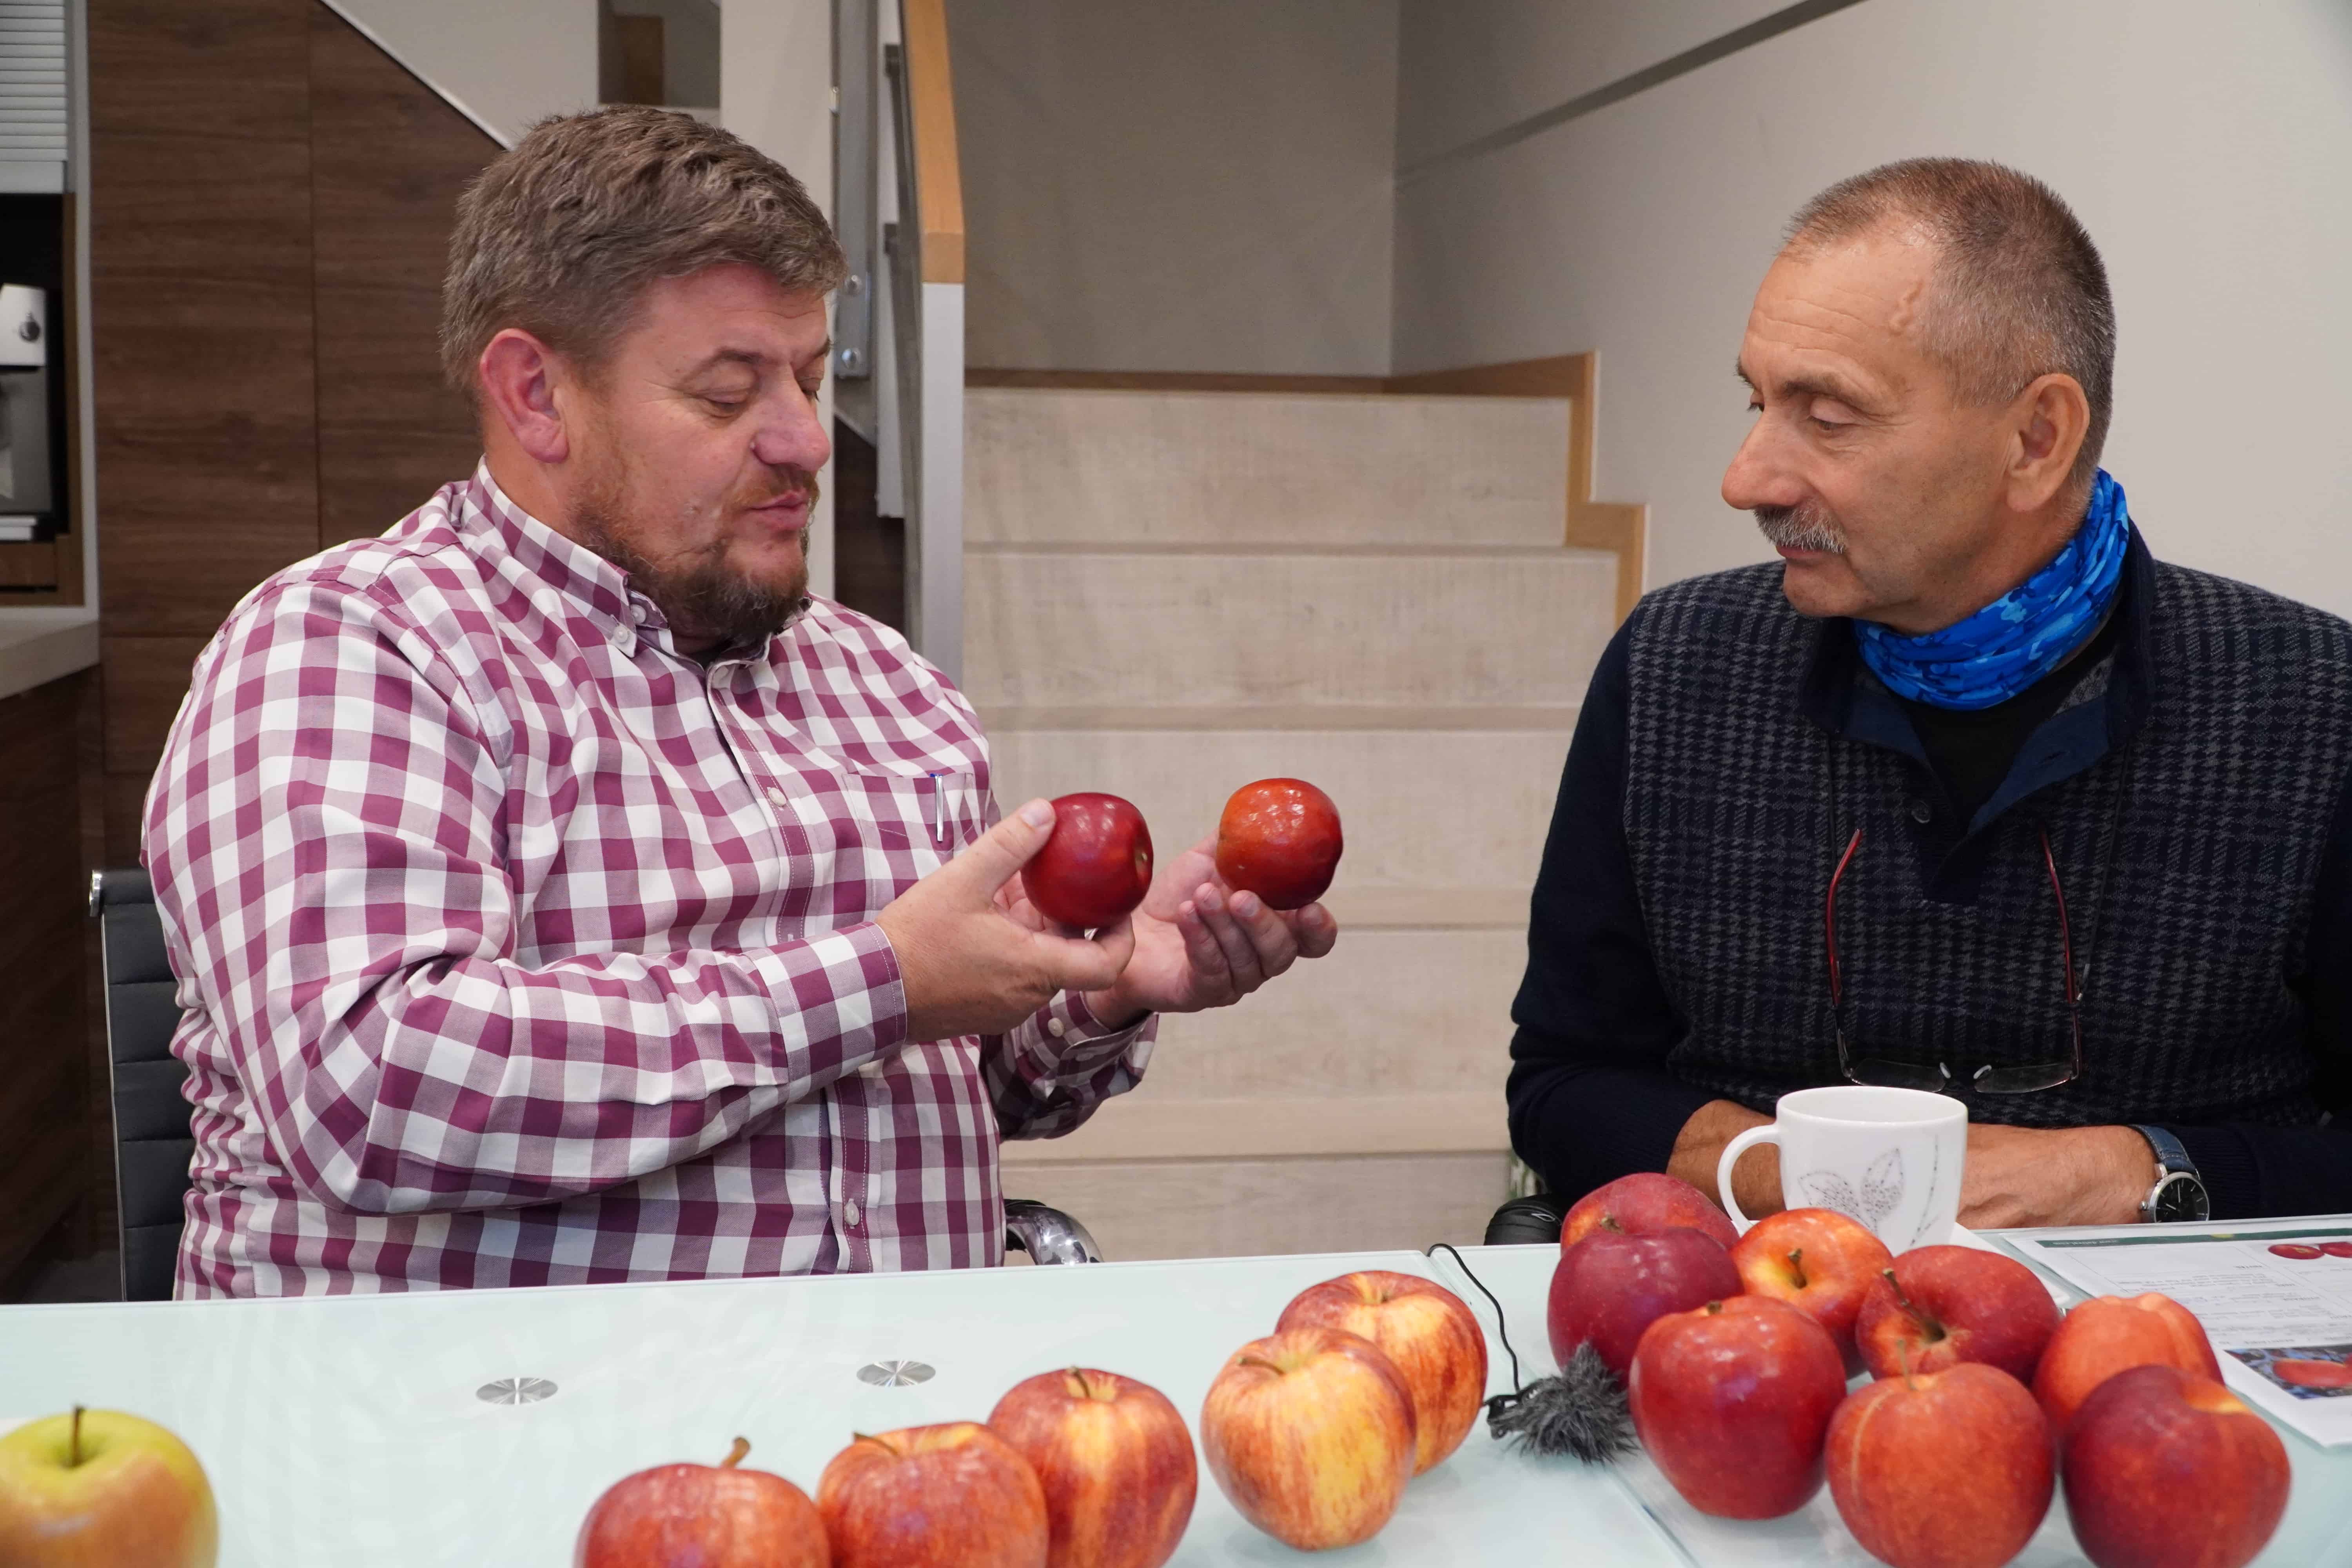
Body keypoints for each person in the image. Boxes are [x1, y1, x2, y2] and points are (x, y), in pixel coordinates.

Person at [144, 108, 1337, 1297]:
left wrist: (1095, 988)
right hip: (502, 1408)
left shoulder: (890, 688)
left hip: (901, 1405)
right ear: (536, 395)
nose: (807, 442)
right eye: (729, 395)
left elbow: (951, 1090)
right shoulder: (358, 648)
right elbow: (374, 1090)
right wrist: (880, 981)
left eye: (810, 380)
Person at [1508, 158, 2352, 1232]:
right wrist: (1804, 1176)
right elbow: (1564, 1085)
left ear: (2035, 440)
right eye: (1759, 401)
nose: (1746, 479)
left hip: (2171, 1325)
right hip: (1759, 1309)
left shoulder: (2315, 701)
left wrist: (2138, 1172)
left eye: (1829, 416)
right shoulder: (1674, 665)